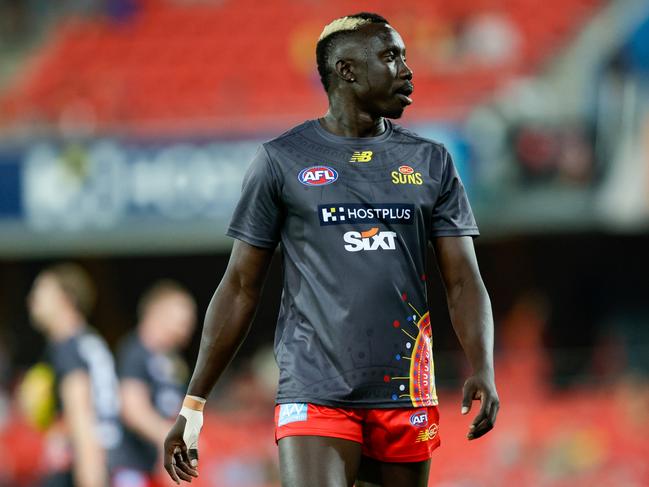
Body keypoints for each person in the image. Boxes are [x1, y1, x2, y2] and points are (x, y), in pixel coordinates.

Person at [163, 12, 500, 487]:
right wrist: (193, 407)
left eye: (404, 56)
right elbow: (239, 287)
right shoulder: (281, 161)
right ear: (346, 71)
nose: (407, 70)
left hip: (405, 390)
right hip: (314, 389)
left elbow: (464, 280)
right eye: (390, 57)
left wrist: (483, 365)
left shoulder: (431, 161)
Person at [27, 263, 121, 487]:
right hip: (106, 459)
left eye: (40, 292)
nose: (32, 301)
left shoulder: (68, 349)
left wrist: (90, 477)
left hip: (83, 467)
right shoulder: (88, 342)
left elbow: (82, 418)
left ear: (66, 300)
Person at [112, 280, 196, 487]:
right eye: (181, 320)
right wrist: (166, 437)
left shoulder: (173, 361)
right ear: (156, 313)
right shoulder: (134, 352)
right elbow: (132, 409)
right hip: (132, 467)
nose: (187, 328)